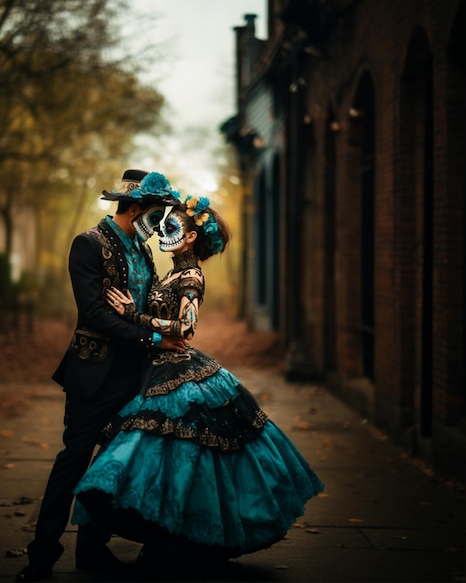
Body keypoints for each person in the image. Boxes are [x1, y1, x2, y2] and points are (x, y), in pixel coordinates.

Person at [71, 195, 325, 569]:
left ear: (190, 239)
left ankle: (163, 540)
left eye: (171, 226)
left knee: (168, 457)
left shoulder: (190, 276)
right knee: (144, 455)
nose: (162, 230)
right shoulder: (169, 272)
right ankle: (119, 541)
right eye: (162, 224)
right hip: (153, 369)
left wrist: (133, 315)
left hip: (177, 373)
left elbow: (187, 328)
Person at [16, 170, 184, 583]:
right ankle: (41, 558)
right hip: (95, 375)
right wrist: (152, 337)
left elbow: (148, 305)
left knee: (118, 464)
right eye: (157, 213)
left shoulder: (144, 252)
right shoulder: (88, 244)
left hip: (138, 376)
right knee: (73, 461)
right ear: (135, 208)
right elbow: (93, 313)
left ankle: (91, 549)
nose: (160, 222)